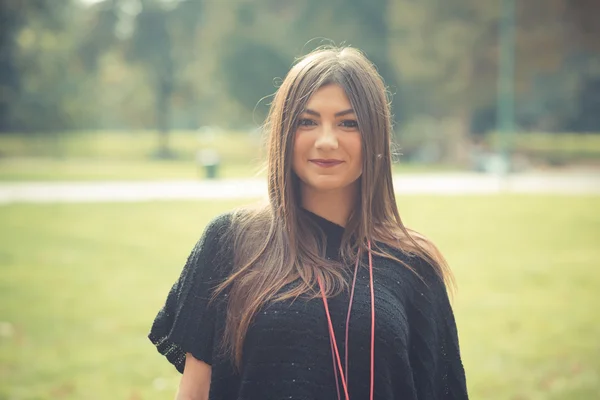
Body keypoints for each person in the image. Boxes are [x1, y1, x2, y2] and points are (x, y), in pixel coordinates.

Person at [149, 46, 469, 400]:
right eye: (308, 121)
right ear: (285, 133)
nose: (327, 141)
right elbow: (194, 393)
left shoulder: (413, 265)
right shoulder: (230, 242)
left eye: (348, 123)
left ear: (374, 137)